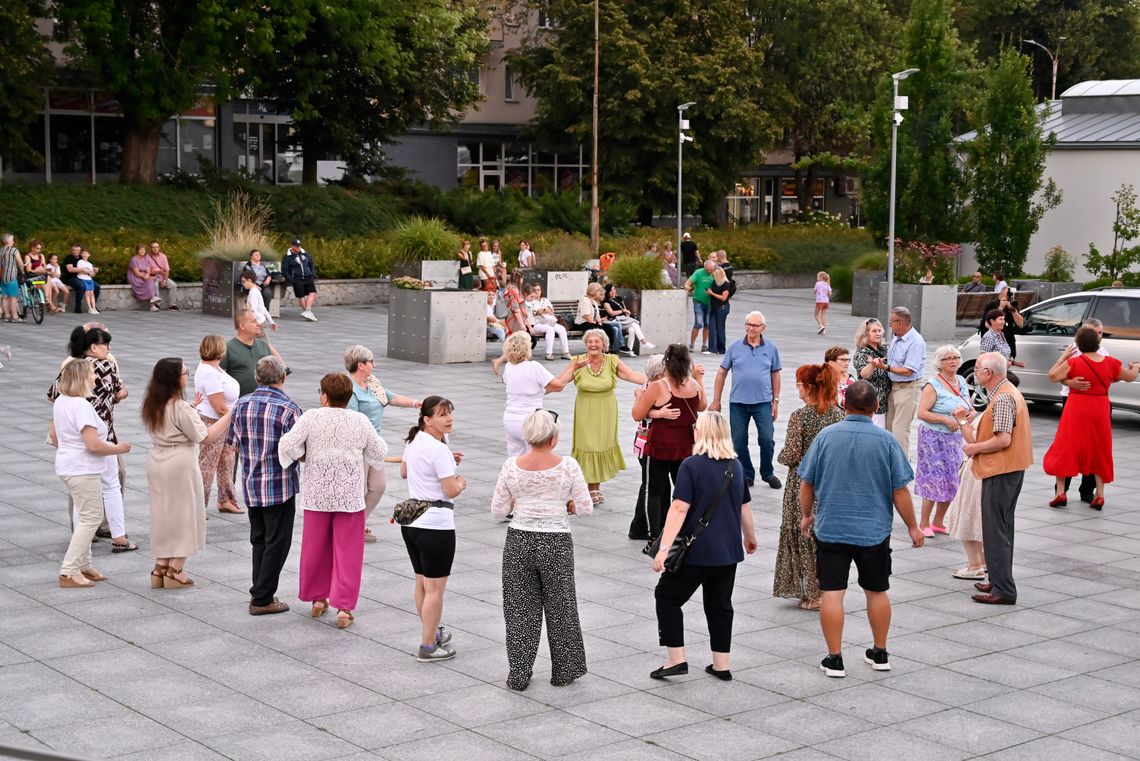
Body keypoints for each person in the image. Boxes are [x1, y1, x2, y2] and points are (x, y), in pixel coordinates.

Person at [798, 381, 923, 677]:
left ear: (845, 404)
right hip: (874, 531)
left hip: (832, 529)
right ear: (876, 407)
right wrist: (914, 527)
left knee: (832, 592)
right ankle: (880, 652)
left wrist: (806, 516)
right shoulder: (887, 441)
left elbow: (807, 482)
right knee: (877, 591)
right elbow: (900, 491)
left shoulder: (826, 437)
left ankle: (834, 658)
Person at [650, 411, 758, 682]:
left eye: (696, 428)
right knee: (720, 605)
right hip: (727, 552)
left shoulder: (691, 465)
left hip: (696, 552)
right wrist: (750, 536)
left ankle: (676, 659)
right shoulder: (736, 466)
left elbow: (678, 509)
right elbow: (744, 507)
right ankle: (721, 665)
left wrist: (663, 549)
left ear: (702, 433)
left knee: (667, 597)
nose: (693, 431)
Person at [491, 410, 593, 690]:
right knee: (562, 608)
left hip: (519, 541)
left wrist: (516, 502)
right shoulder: (568, 466)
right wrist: (568, 503)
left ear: (527, 437)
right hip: (556, 541)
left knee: (519, 610)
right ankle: (563, 671)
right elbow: (586, 508)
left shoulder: (511, 466)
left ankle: (519, 673)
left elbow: (497, 511)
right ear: (554, 438)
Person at [279, 372, 387, 629]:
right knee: (348, 551)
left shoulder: (311, 417)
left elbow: (287, 446)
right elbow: (379, 451)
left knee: (315, 548)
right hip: (349, 495)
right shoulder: (359, 420)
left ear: (324, 396)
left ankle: (318, 599)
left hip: (317, 494)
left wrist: (304, 454)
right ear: (348, 397)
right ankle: (344, 607)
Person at [142, 357, 232, 591]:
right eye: (184, 373)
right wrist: (228, 416)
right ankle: (176, 570)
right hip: (179, 462)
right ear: (174, 379)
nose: (187, 377)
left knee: (163, 513)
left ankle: (160, 566)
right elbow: (205, 436)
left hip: (157, 459)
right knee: (185, 515)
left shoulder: (153, 403)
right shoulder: (180, 407)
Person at [226, 356, 301, 614]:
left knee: (259, 540)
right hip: (279, 486)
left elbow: (232, 444)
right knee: (277, 542)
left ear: (257, 378)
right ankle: (262, 597)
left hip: (250, 483)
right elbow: (297, 450)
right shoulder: (289, 408)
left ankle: (259, 589)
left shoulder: (241, 404)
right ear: (283, 377)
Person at [47, 325, 130, 546]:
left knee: (80, 489)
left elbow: (52, 394)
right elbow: (119, 390)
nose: (108, 348)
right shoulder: (106, 365)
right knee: (111, 484)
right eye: (105, 344)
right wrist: (117, 396)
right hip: (103, 433)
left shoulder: (71, 366)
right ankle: (117, 535)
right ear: (93, 346)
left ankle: (83, 535)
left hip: (73, 435)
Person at [53, 361, 133, 588]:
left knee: (86, 515)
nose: (95, 378)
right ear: (81, 378)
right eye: (91, 374)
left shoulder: (61, 401)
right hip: (82, 468)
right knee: (91, 517)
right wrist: (119, 448)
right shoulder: (81, 406)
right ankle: (69, 570)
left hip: (71, 465)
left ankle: (84, 563)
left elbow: (55, 433)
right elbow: (93, 445)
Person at [400, 396, 467, 662]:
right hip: (436, 526)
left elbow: (405, 471)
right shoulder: (438, 450)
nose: (449, 418)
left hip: (412, 524)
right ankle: (428, 646)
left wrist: (446, 463)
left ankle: (432, 633)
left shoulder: (415, 440)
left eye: (449, 413)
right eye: (442, 414)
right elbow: (450, 490)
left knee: (422, 583)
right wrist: (460, 482)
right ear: (427, 420)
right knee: (436, 589)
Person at [963, 353, 1032, 605]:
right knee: (1001, 528)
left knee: (996, 531)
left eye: (979, 368)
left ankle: (1003, 589)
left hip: (1001, 470)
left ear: (989, 373)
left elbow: (1003, 439)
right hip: (1008, 469)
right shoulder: (1007, 391)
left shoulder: (1003, 397)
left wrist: (974, 449)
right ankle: (998, 579)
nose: (976, 372)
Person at [1044, 327, 1139, 510]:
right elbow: (1129, 377)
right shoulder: (1111, 363)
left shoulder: (1074, 362)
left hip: (1076, 407)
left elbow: (1052, 376)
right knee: (1099, 448)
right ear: (1098, 343)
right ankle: (1099, 495)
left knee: (1066, 445)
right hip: (1100, 408)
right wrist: (1135, 368)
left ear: (1078, 344)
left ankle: (1061, 492)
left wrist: (1063, 357)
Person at [774, 364, 843, 611]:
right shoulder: (837, 414)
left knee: (802, 535)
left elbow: (791, 455)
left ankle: (814, 594)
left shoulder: (800, 416)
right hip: (829, 483)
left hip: (802, 484)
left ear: (809, 387)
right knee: (822, 538)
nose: (798, 389)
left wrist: (780, 457)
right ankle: (826, 589)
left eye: (799, 385)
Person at [344, 345, 421, 542]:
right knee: (357, 489)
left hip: (375, 445)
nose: (374, 365)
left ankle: (357, 524)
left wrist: (415, 403)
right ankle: (351, 528)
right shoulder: (350, 389)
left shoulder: (372, 383)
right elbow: (352, 420)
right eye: (371, 362)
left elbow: (392, 398)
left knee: (378, 486)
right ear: (361, 365)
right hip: (359, 447)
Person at [630, 344, 706, 539]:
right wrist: (699, 379)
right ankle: (680, 532)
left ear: (666, 364)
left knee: (653, 492)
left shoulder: (659, 386)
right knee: (682, 492)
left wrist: (644, 401)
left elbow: (637, 414)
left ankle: (654, 535)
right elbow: (703, 406)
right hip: (685, 447)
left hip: (660, 446)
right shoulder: (693, 385)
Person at [569, 328, 646, 504]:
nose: (593, 344)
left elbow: (632, 376)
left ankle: (594, 489)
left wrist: (661, 380)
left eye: (597, 341)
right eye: (590, 341)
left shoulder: (612, 361)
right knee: (588, 446)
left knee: (600, 445)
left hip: (606, 410)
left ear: (604, 345)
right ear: (586, 344)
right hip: (585, 410)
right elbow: (560, 381)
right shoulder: (578, 361)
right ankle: (587, 488)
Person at [710, 311, 782, 489]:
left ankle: (767, 473)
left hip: (763, 402)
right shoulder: (734, 347)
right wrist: (716, 400)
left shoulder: (771, 349)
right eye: (748, 324)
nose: (750, 328)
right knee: (739, 440)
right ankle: (747, 474)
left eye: (755, 325)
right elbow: (722, 373)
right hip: (738, 403)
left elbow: (776, 375)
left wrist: (776, 400)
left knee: (767, 439)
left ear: (762, 328)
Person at [914, 345, 974, 537]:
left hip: (954, 438)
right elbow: (921, 412)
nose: (953, 361)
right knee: (933, 478)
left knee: (951, 478)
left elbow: (968, 406)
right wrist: (945, 419)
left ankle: (938, 522)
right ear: (940, 363)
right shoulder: (933, 384)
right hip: (933, 439)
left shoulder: (962, 381)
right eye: (948, 358)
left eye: (956, 357)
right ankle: (923, 523)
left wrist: (970, 414)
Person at [494, 332, 573, 457]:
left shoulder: (509, 367)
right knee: (536, 457)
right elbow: (558, 386)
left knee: (515, 458)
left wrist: (569, 370)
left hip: (510, 419)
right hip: (530, 420)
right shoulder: (534, 367)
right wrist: (572, 368)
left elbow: (543, 389)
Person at [1058, 319, 1109, 503]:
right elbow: (1058, 374)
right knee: (1071, 444)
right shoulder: (1073, 349)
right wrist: (1070, 382)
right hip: (1073, 400)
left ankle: (1088, 489)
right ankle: (1062, 490)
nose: (1099, 337)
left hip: (1096, 404)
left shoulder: (1103, 352)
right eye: (1096, 333)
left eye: (1101, 333)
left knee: (1093, 446)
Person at [194, 334, 243, 515]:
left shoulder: (213, 368)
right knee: (207, 465)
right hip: (215, 421)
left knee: (226, 461)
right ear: (220, 350)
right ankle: (199, 506)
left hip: (222, 420)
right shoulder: (209, 373)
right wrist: (235, 422)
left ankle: (226, 499)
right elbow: (219, 407)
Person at [629, 354, 670, 541]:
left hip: (653, 442)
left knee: (656, 485)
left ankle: (650, 524)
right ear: (660, 373)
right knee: (650, 486)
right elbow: (639, 413)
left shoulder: (654, 387)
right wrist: (659, 413)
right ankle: (643, 527)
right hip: (647, 444)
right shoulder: (650, 388)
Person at [946, 416, 986, 580]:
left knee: (969, 517)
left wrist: (962, 420)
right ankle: (982, 561)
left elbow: (974, 442)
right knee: (978, 517)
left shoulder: (999, 402)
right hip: (982, 468)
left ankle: (975, 565)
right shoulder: (1005, 400)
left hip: (978, 468)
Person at [884, 306, 926, 455]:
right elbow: (895, 359)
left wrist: (886, 367)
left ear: (900, 323)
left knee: (900, 430)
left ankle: (901, 467)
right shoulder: (896, 336)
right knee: (889, 428)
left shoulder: (915, 342)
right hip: (894, 386)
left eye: (891, 322)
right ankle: (890, 463)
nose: (889, 325)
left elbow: (909, 371)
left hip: (907, 387)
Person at [221, 309, 284, 397]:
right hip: (239, 405)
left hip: (264, 403)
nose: (258, 324)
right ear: (242, 325)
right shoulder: (227, 348)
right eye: (254, 321)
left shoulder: (263, 345)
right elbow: (218, 380)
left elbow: (280, 371)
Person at [852, 318, 890, 428]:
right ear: (865, 334)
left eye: (879, 330)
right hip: (872, 403)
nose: (878, 333)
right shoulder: (862, 352)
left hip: (887, 403)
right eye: (874, 331)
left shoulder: (884, 349)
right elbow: (864, 375)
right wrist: (872, 365)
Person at [574, 282, 628, 355]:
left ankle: (607, 348)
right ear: (593, 291)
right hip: (582, 323)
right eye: (598, 291)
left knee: (609, 328)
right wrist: (595, 324)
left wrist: (599, 322)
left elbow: (597, 316)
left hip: (590, 322)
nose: (600, 293)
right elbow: (585, 315)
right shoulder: (585, 300)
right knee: (600, 329)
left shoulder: (594, 301)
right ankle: (605, 350)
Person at [523, 284, 571, 361]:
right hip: (537, 323)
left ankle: (566, 353)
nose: (537, 292)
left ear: (541, 291)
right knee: (549, 329)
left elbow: (552, 311)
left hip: (550, 321)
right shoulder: (531, 301)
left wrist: (543, 310)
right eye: (535, 290)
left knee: (562, 329)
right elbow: (536, 312)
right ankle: (549, 354)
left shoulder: (545, 300)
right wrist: (545, 309)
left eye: (538, 290)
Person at [602, 283, 655, 351]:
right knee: (634, 323)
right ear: (607, 292)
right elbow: (611, 313)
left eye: (614, 289)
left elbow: (625, 309)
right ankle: (643, 342)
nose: (613, 292)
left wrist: (627, 314)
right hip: (616, 321)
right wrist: (622, 311)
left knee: (632, 330)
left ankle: (629, 350)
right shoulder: (606, 302)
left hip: (625, 320)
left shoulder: (619, 298)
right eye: (611, 291)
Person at [979, 308, 1024, 385]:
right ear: (992, 321)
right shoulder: (989, 337)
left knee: (1014, 381)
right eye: (1001, 319)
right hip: (993, 373)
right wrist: (1002, 365)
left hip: (1001, 371)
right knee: (1013, 381)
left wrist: (1013, 362)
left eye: (1004, 319)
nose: (1003, 322)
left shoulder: (1001, 334)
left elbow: (1001, 354)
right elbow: (983, 359)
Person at [283, 238, 318, 321]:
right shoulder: (288, 257)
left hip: (308, 277)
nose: (298, 248)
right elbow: (285, 270)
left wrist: (312, 273)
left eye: (299, 246)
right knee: (301, 296)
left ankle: (308, 311)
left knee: (313, 293)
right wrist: (291, 280)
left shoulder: (305, 254)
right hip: (297, 278)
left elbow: (311, 264)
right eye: (296, 246)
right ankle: (307, 313)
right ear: (292, 246)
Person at [685, 259, 716, 353]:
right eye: (708, 270)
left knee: (707, 324)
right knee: (698, 323)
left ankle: (704, 345)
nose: (710, 272)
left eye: (711, 270)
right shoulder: (698, 273)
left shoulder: (715, 273)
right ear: (704, 268)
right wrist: (687, 286)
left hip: (710, 302)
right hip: (698, 301)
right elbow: (688, 282)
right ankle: (692, 344)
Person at [62, 243, 99, 313]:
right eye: (74, 250)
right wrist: (82, 270)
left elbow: (88, 268)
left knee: (97, 286)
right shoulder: (68, 258)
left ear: (80, 251)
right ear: (71, 250)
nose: (75, 252)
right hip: (72, 278)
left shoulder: (82, 258)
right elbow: (70, 269)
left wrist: (94, 269)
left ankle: (93, 306)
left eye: (77, 250)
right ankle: (78, 307)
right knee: (81, 286)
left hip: (84, 277)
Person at [146, 241, 180, 310]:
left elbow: (167, 270)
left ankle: (172, 305)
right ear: (150, 248)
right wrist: (154, 272)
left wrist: (164, 281)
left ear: (159, 248)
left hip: (162, 277)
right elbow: (147, 271)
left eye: (157, 247)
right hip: (152, 277)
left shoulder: (163, 256)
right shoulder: (147, 257)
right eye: (153, 247)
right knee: (155, 285)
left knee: (173, 285)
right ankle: (156, 304)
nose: (155, 249)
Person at [706, 267, 732, 355]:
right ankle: (712, 348)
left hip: (722, 307)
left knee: (720, 327)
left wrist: (712, 293)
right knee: (712, 327)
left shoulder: (726, 284)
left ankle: (721, 349)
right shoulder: (715, 282)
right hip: (713, 306)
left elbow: (724, 298)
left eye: (714, 275)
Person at [0, 234, 25, 324]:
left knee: (5, 297)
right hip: (11, 277)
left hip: (2, 277)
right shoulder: (14, 250)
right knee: (13, 298)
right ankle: (15, 316)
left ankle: (6, 316)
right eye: (12, 240)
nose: (13, 242)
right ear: (8, 241)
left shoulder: (1, 250)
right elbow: (20, 263)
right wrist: (23, 271)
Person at [128, 244, 161, 311]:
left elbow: (148, 270)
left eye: (144, 250)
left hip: (144, 275)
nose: (143, 251)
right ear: (137, 251)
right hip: (135, 277)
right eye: (141, 250)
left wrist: (147, 275)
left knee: (151, 280)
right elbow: (137, 273)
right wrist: (145, 276)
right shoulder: (134, 260)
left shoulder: (146, 259)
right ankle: (153, 299)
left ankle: (152, 303)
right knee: (150, 280)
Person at [75, 248, 100, 315]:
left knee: (92, 293)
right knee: (87, 293)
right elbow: (81, 270)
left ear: (89, 255)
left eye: (86, 253)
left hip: (89, 280)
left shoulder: (90, 264)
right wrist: (87, 271)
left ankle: (94, 307)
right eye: (83, 253)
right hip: (82, 279)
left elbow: (91, 274)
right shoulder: (80, 262)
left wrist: (94, 271)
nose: (84, 255)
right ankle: (90, 308)